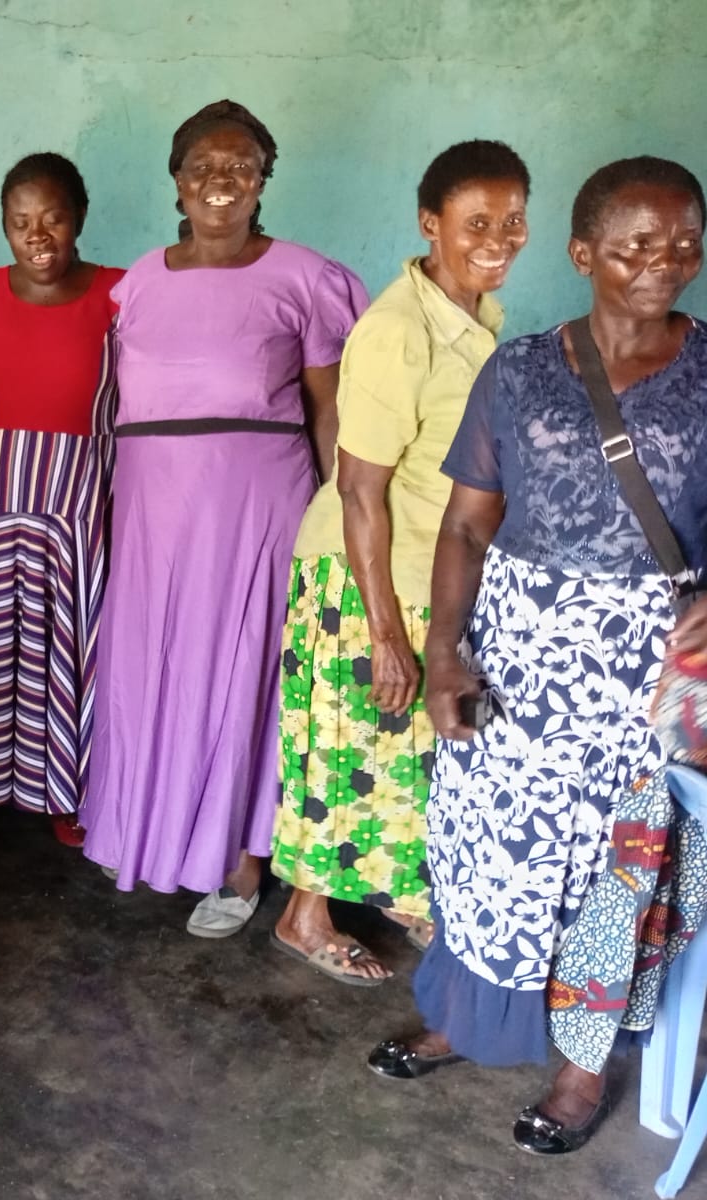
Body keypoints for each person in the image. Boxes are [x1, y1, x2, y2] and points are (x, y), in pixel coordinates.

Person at [367, 156, 707, 1156]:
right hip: (511, 656)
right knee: (489, 856)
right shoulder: (517, 369)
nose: (664, 261)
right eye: (636, 242)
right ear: (581, 252)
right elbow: (467, 529)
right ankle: (467, 1022)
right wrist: (440, 652)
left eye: (684, 241)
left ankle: (580, 1063)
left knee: (614, 873)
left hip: (641, 672)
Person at [81, 100, 367, 932]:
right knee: (156, 670)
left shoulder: (306, 278)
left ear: (263, 180)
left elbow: (330, 411)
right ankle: (153, 835)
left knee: (242, 676)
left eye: (241, 166)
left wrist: (341, 511)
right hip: (150, 509)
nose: (221, 182)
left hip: (256, 508)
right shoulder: (135, 282)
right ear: (176, 180)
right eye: (203, 166)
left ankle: (241, 867)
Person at [272, 142, 531, 985]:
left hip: (431, 573)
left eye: (514, 219)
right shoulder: (397, 331)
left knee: (406, 751)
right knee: (348, 746)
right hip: (366, 575)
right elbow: (358, 492)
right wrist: (384, 631)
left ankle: (398, 893)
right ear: (432, 224)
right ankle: (304, 918)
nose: (500, 238)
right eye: (477, 222)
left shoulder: (477, 321)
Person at [0, 153, 124, 853]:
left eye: (54, 219)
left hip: (75, 501)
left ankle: (62, 797)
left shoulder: (119, 294)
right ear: (3, 228)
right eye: (20, 222)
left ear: (79, 220)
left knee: (66, 650)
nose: (38, 235)